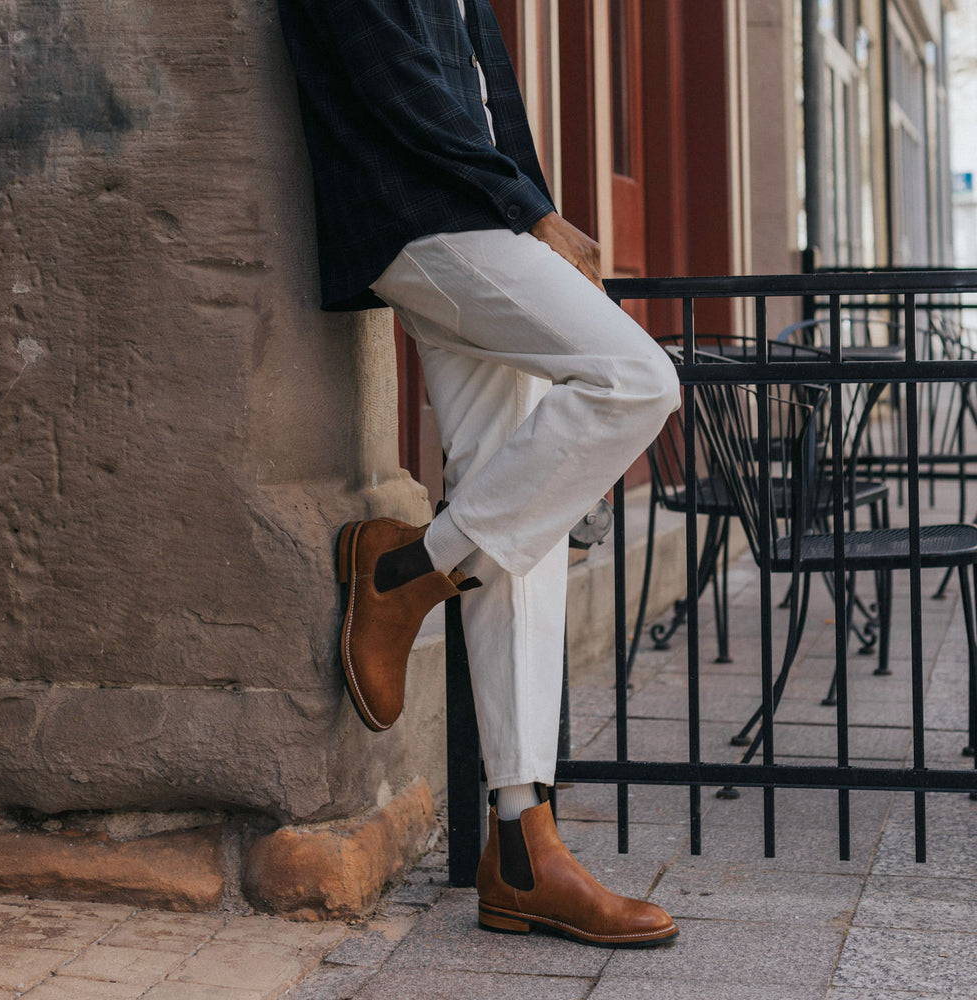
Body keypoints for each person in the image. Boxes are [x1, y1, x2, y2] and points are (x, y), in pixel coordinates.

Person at [277, 0, 681, 947]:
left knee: (522, 527)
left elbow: (488, 93)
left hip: (473, 214)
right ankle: (406, 573)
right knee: (639, 377)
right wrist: (534, 214)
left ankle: (520, 845)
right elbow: (394, 83)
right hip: (427, 216)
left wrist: (530, 205)